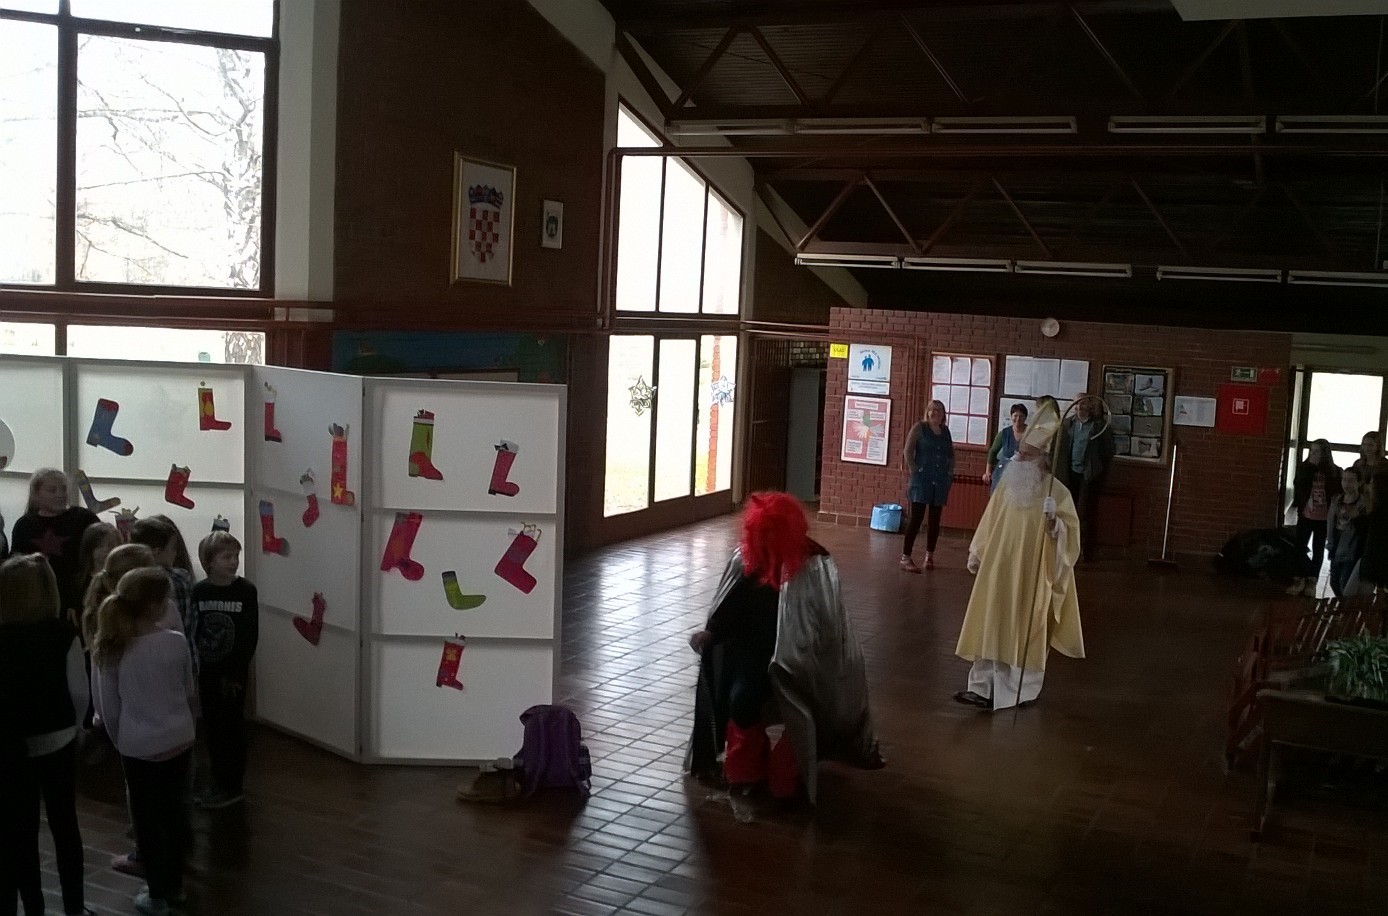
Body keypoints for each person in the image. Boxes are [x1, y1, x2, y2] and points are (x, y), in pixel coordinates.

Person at [685, 492, 882, 810]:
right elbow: (731, 606)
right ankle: (746, 773)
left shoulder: (815, 564)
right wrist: (711, 633)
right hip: (754, 653)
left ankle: (787, 775)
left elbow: (829, 623)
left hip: (805, 658)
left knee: (805, 710)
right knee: (741, 702)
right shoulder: (747, 559)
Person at [954, 396, 1085, 710]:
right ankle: (982, 687)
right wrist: (977, 551)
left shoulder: (1057, 494)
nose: (1017, 458)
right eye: (1019, 452)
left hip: (1031, 574)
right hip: (999, 569)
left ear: (1040, 459)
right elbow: (991, 519)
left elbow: (1070, 542)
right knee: (990, 622)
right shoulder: (1008, 487)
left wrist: (1055, 523)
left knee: (1023, 630)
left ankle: (1018, 691)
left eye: (1025, 454)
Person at [91, 567, 196, 916]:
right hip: (180, 740)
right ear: (154, 606)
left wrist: (123, 741)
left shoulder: (111, 648)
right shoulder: (176, 642)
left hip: (138, 748)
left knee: (147, 822)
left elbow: (108, 708)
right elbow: (188, 690)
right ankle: (176, 886)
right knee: (175, 815)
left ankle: (156, 894)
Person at [0, 554, 95, 916]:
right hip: (57, 738)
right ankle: (74, 905)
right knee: (64, 824)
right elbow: (79, 692)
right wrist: (79, 727)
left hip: (10, 745)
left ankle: (33, 905)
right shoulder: (63, 635)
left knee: (19, 830)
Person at [191, 531, 259, 809]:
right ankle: (218, 782)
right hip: (207, 671)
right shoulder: (199, 592)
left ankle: (232, 785)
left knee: (232, 727)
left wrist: (235, 672)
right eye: (226, 557)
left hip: (234, 674)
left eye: (236, 556)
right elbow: (194, 630)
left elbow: (249, 636)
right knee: (213, 727)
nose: (233, 562)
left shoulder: (246, 591)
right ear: (209, 561)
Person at [9, 468, 100, 624]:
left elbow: (98, 558)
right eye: (52, 490)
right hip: (37, 602)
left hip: (81, 598)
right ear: (36, 494)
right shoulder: (24, 525)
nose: (60, 494)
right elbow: (17, 568)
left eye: (63, 489)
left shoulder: (84, 518)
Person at [1055, 393, 1115, 561]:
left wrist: (1098, 469)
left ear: (1089, 405)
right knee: (1068, 510)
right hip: (1070, 473)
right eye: (1076, 404)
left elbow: (1109, 451)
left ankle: (1085, 550)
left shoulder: (1099, 426)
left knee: (1087, 512)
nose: (1079, 407)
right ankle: (1066, 548)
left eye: (1082, 404)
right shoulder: (1068, 424)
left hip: (1089, 475)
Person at [900, 399, 955, 573]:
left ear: (944, 414)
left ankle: (929, 555)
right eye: (933, 410)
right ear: (928, 412)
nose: (936, 413)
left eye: (940, 410)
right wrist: (915, 469)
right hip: (921, 479)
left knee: (934, 520)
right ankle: (906, 557)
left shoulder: (945, 431)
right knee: (916, 518)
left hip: (940, 480)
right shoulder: (919, 428)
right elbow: (908, 451)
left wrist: (949, 472)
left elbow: (951, 453)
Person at [1285, 439, 1341, 596]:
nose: (1313, 454)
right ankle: (1300, 577)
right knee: (1300, 546)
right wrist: (1310, 468)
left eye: (1317, 451)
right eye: (1312, 451)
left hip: (1324, 517)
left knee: (1318, 548)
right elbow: (1298, 485)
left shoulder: (1334, 471)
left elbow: (1336, 491)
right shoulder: (1305, 468)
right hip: (1306, 514)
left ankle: (1312, 579)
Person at [1325, 467, 1369, 597]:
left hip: (1352, 548)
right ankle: (1342, 604)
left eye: (1351, 481)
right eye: (1344, 480)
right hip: (1336, 545)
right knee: (1334, 581)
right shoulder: (1337, 500)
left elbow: (1365, 529)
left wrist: (1356, 518)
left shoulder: (1363, 504)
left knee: (1345, 581)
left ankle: (1346, 606)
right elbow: (1331, 522)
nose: (1346, 484)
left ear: (1359, 483)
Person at [983, 403, 1028, 494]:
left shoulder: (1031, 433)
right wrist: (988, 472)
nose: (1018, 419)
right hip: (1003, 473)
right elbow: (992, 452)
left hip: (1024, 474)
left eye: (1021, 416)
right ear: (1011, 416)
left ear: (1025, 418)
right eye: (1015, 416)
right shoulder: (1004, 433)